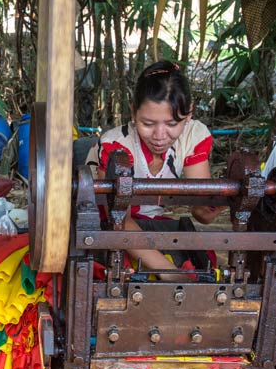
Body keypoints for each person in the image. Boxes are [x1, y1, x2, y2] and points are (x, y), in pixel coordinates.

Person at [87, 60, 222, 279]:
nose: (160, 136)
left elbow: (202, 212)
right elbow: (118, 218)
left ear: (188, 114)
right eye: (148, 124)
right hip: (108, 224)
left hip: (148, 224)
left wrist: (225, 201)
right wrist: (170, 273)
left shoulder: (193, 137)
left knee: (203, 259)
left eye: (171, 125)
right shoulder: (117, 147)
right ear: (133, 112)